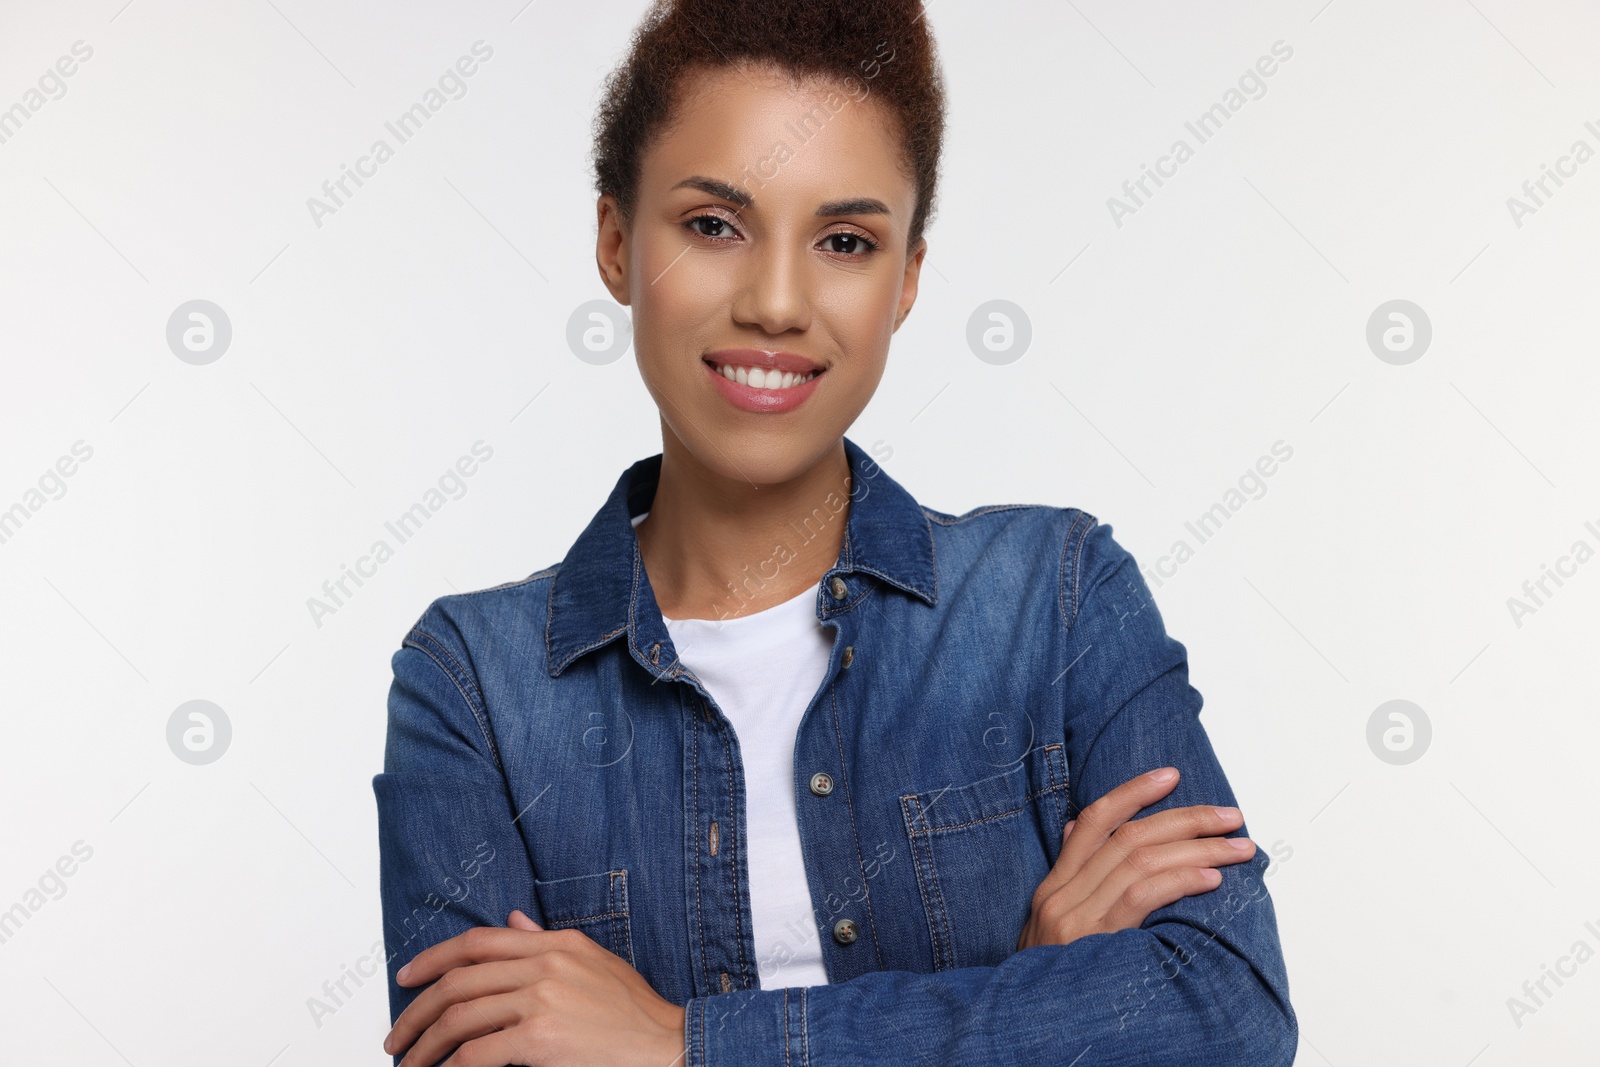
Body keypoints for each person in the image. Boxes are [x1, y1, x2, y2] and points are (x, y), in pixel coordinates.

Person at [373, 1, 1297, 1063]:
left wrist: (683, 1042)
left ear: (903, 279)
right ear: (617, 243)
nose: (776, 301)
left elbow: (1227, 1013)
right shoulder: (475, 686)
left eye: (845, 240)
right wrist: (1035, 985)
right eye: (714, 225)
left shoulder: (1058, 599)